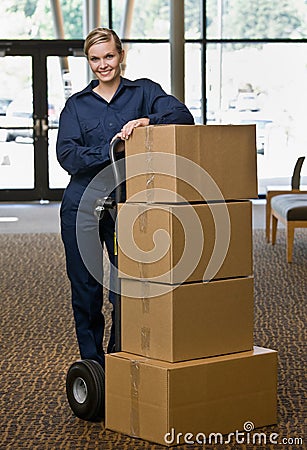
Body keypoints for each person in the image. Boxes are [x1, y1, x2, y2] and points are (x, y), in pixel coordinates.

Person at [56, 27, 194, 369]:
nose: (103, 65)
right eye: (95, 59)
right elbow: (68, 156)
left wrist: (149, 120)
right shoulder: (76, 106)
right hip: (82, 206)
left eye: (109, 56)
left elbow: (183, 117)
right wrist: (114, 149)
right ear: (88, 62)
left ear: (121, 55)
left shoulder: (144, 92)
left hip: (127, 206)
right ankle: (92, 364)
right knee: (85, 288)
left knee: (126, 287)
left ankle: (119, 357)